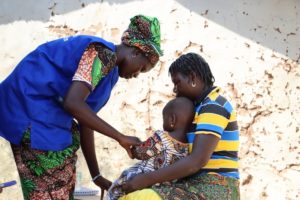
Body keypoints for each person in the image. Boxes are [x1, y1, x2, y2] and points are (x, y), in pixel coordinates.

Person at [0, 15, 163, 200]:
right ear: (135, 51)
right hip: (29, 109)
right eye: (141, 68)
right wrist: (120, 137)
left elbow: (86, 118)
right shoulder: (102, 53)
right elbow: (73, 103)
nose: (136, 75)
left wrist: (96, 175)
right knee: (51, 186)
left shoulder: (110, 73)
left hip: (44, 114)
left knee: (63, 175)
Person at [120, 52, 240, 200]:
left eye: (177, 82)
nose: (175, 90)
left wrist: (147, 179)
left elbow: (197, 160)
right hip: (194, 185)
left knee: (141, 198)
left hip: (217, 189)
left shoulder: (214, 105)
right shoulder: (199, 108)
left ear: (192, 77)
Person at [107, 97, 195, 200]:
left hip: (142, 180)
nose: (163, 124)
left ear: (172, 120)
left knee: (118, 187)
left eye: (164, 119)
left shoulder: (162, 137)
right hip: (163, 187)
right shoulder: (188, 147)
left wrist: (135, 149)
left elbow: (142, 152)